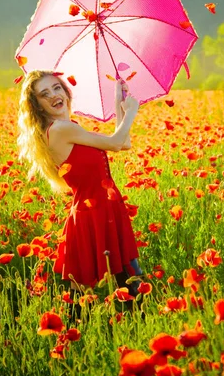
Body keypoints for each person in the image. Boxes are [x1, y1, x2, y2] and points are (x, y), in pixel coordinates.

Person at [17, 69, 143, 313]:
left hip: (104, 210)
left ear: (65, 91)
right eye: (44, 94)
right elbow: (116, 143)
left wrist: (119, 101)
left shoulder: (68, 127)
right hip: (92, 216)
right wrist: (133, 111)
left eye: (56, 87)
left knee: (124, 288)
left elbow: (121, 142)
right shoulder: (61, 130)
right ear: (38, 106)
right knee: (124, 290)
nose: (54, 95)